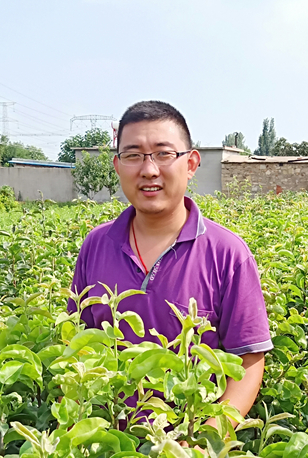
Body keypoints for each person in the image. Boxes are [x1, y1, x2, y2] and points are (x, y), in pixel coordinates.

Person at [67, 100, 272, 421]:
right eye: (133, 155)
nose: (149, 169)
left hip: (192, 447)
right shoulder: (96, 244)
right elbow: (80, 340)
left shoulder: (228, 253)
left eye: (164, 154)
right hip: (108, 449)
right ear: (118, 166)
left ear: (190, 164)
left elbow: (247, 360)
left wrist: (208, 436)